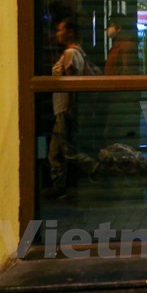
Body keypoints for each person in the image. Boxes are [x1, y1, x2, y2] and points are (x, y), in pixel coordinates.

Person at [46, 17, 96, 198]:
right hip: (62, 108)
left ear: (71, 32)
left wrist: (69, 109)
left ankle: (98, 168)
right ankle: (58, 186)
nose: (57, 34)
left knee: (67, 151)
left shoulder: (70, 54)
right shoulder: (77, 52)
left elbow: (71, 84)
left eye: (60, 30)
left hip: (64, 108)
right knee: (57, 151)